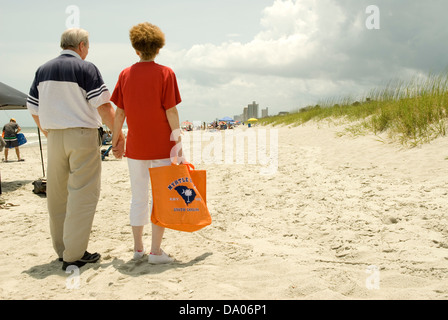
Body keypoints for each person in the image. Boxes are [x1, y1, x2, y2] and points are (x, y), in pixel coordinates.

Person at [26, 28, 125, 271]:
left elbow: (33, 108)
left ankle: (62, 250)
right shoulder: (86, 68)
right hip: (81, 135)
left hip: (55, 137)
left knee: (58, 195)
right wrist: (118, 136)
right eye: (88, 46)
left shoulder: (43, 69)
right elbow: (103, 107)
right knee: (82, 194)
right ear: (81, 45)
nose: (88, 50)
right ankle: (74, 253)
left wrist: (48, 131)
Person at [111, 22, 182, 264]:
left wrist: (115, 141)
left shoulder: (125, 74)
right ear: (158, 47)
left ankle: (138, 249)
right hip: (162, 146)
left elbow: (119, 113)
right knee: (161, 197)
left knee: (138, 196)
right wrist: (178, 142)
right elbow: (171, 111)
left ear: (136, 48)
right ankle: (155, 252)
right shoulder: (166, 73)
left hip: (137, 147)